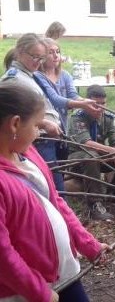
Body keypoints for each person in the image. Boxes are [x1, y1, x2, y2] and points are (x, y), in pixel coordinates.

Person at [0, 80, 109, 302]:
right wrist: (38, 292)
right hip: (24, 291)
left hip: (65, 273)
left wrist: (88, 244)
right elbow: (2, 254)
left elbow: (56, 202)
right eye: (37, 126)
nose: (39, 134)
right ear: (15, 124)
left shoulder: (27, 153)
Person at [1, 33, 64, 191]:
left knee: (52, 184)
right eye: (35, 56)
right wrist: (44, 123)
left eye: (42, 58)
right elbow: (12, 113)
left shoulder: (30, 75)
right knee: (51, 187)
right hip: (36, 140)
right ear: (20, 52)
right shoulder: (14, 79)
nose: (39, 62)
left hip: (43, 137)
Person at [68, 85, 115, 221]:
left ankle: (111, 195)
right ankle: (95, 204)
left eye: (103, 103)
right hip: (77, 158)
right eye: (96, 104)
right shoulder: (77, 117)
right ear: (87, 102)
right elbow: (86, 143)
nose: (100, 108)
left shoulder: (108, 117)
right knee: (92, 156)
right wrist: (113, 151)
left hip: (99, 155)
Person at [34, 38, 99, 135]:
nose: (56, 56)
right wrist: (82, 105)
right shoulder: (38, 76)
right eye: (50, 53)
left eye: (58, 52)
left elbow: (73, 95)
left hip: (63, 123)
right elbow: (54, 99)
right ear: (42, 56)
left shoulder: (65, 75)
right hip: (46, 127)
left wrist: (86, 101)